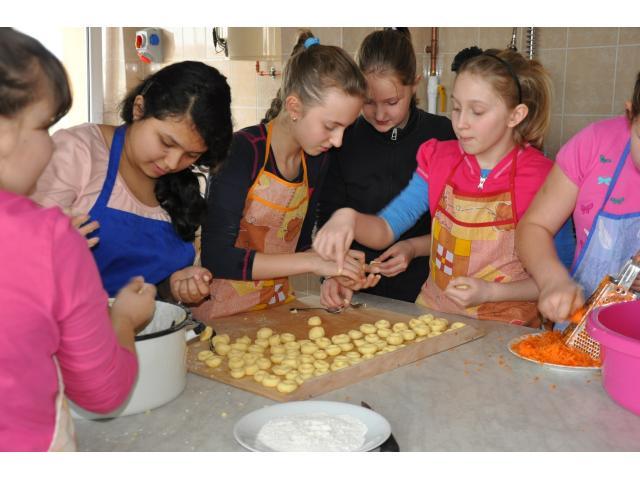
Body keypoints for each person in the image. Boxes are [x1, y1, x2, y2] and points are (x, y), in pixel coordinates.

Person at [314, 46, 575, 327]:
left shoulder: (543, 178)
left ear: (515, 115)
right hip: (434, 317)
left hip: (505, 327)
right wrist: (349, 218)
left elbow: (560, 276)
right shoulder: (439, 159)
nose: (461, 124)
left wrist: (491, 292)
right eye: (457, 108)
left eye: (477, 112)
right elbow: (386, 229)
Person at [0, 28, 156, 452]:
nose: (51, 148)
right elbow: (102, 391)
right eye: (44, 127)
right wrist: (124, 319)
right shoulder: (50, 239)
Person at [194, 31, 373, 320]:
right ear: (294, 107)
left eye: (346, 128)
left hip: (277, 310)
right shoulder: (242, 152)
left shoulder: (315, 160)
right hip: (219, 314)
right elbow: (217, 257)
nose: (338, 141)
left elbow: (298, 246)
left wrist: (333, 271)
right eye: (331, 126)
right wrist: (314, 262)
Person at [31, 60, 233, 304]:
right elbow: (16, 251)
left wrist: (174, 285)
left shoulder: (180, 187)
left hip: (144, 327)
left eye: (191, 155)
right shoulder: (79, 152)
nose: (172, 163)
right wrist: (49, 247)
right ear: (139, 109)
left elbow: (152, 287)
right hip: (65, 323)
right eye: (167, 143)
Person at [317, 28, 456, 309]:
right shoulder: (343, 139)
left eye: (392, 102)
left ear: (414, 85)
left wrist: (414, 249)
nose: (380, 114)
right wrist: (333, 274)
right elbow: (330, 217)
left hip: (429, 292)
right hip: (357, 289)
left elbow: (462, 227)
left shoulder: (443, 137)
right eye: (368, 102)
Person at [516, 72, 640, 327]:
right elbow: (534, 226)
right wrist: (552, 279)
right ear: (630, 115)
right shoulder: (594, 144)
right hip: (581, 328)